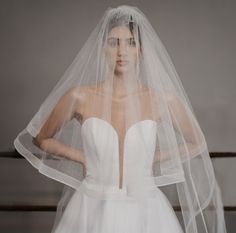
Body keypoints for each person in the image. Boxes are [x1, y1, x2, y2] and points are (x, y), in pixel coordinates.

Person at [14, 5, 227, 233]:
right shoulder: (79, 97)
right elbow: (41, 138)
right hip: (92, 206)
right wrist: (81, 157)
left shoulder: (161, 100)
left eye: (131, 42)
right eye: (114, 42)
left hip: (147, 210)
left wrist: (158, 157)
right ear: (102, 47)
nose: (121, 51)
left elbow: (197, 141)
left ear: (141, 50)